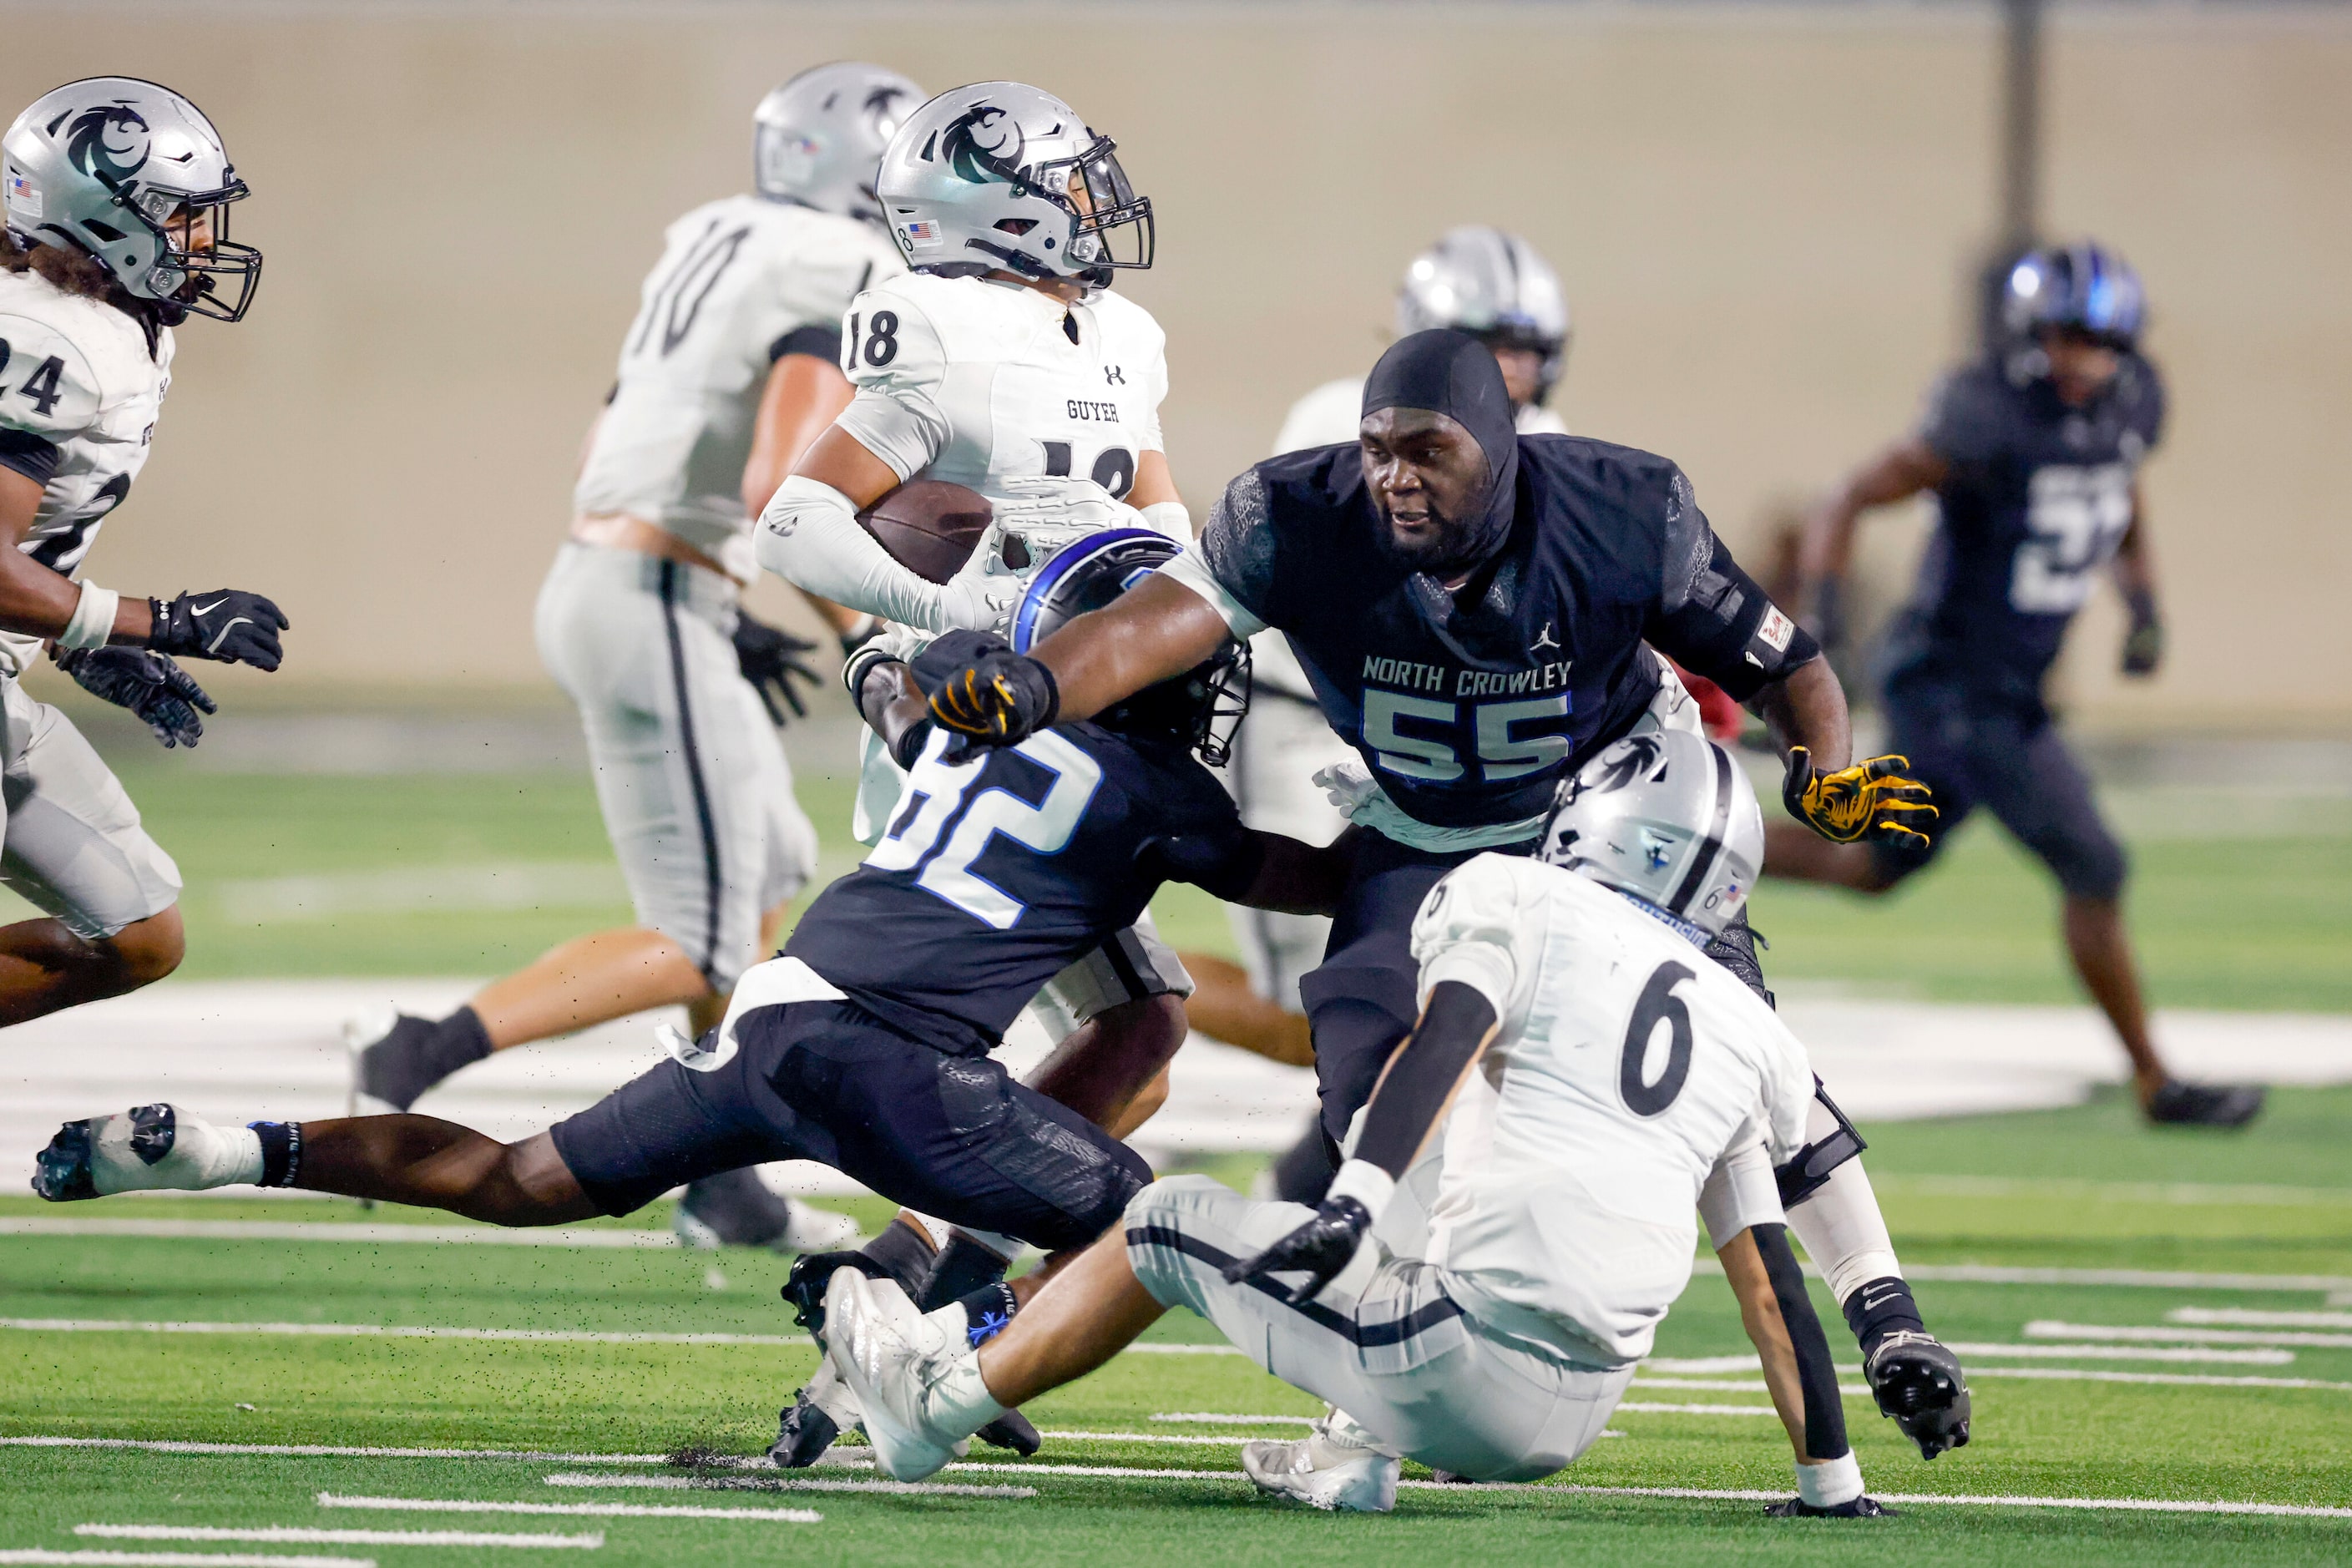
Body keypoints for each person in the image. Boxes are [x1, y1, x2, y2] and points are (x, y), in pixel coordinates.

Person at [32, 530, 1348, 1467]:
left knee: (518, 1176)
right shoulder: (1168, 795)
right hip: (903, 1061)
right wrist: (1430, 835)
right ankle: (927, 1347)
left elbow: (888, 689)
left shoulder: (961, 712)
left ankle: (224, 1147)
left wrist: (890, 667)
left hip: (778, 1013)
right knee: (1150, 1225)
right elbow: (1306, 881)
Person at [909, 330, 1975, 1447]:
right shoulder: (1299, 517)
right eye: (1377, 448)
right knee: (1371, 1089)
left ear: (1504, 449)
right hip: (1420, 836)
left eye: (1427, 449)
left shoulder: (1620, 511)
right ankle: (1398, 1373)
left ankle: (1884, 1310)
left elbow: (1786, 663)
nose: (1393, 475)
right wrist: (1036, 681)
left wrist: (1829, 775)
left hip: (1605, 822)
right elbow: (1143, 630)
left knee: (1747, 1057)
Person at [821, 731, 1901, 1518]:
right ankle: (1356, 1441)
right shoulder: (1746, 1026)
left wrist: (1355, 1199)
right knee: (1497, 1138)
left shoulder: (1527, 902)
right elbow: (1766, 1274)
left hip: (1452, 1363)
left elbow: (1443, 1043)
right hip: (1575, 1412)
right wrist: (1830, 1485)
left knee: (1167, 1218)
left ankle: (932, 1403)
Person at [344, 63, 933, 1251]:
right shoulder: (833, 264)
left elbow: (608, 434)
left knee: (766, 864)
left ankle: (724, 1176)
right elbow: (781, 486)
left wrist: (719, 592)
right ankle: (418, 1048)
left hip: (633, 578)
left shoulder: (712, 238)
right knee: (707, 937)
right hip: (655, 593)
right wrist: (861, 633)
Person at [752, 79, 1206, 1398]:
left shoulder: (1120, 331)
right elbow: (795, 521)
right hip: (990, 730)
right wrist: (959, 610)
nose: (1091, 206)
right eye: (1068, 183)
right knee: (1125, 1032)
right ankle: (904, 1297)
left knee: (1134, 1041)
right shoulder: (941, 327)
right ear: (994, 208)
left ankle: (907, 1277)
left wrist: (1207, 626)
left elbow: (1161, 518)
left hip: (1082, 718)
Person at [1775, 241, 2261, 1128]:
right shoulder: (1985, 415)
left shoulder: (2130, 406)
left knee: (1876, 864)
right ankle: (2157, 1080)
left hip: (2004, 688)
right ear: (2032, 336)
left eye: (2100, 341)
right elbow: (1846, 498)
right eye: (2066, 337)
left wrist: (2142, 600)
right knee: (2094, 862)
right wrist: (1828, 617)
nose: (2083, 359)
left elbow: (2118, 489)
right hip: (1954, 686)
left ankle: (1697, 845)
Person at [1187, 228, 1572, 1120]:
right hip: (1304, 721)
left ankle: (1322, 1181)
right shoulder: (1339, 418)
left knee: (1451, 982)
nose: (1507, 373)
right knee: (1304, 1017)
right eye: (1488, 348)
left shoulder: (1549, 440)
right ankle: (1128, 991)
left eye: (1523, 351)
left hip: (1441, 737)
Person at [0, 77, 289, 1027]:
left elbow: (36, 532)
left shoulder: (102, 319)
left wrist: (82, 638)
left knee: (134, 934)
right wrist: (157, 620)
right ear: (99, 214)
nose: (203, 240)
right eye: (178, 216)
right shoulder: (46, 337)